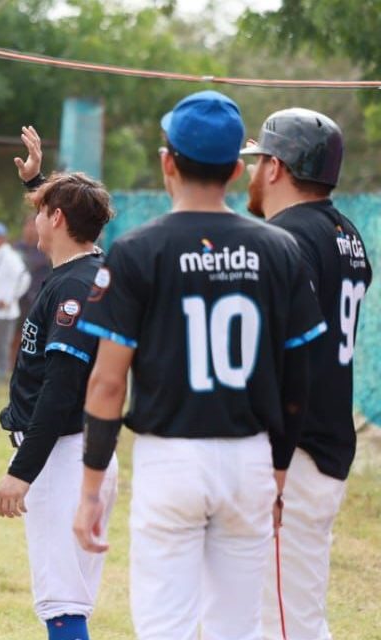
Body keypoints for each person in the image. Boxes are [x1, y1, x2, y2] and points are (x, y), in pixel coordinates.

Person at [73, 90, 326, 638]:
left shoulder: (138, 249)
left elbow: (107, 383)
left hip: (173, 460)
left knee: (166, 627)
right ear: (237, 170)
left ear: (168, 162)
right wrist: (278, 472)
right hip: (249, 457)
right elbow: (298, 379)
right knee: (237, 629)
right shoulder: (280, 249)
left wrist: (91, 487)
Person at [241, 108, 372, 640]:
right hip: (322, 440)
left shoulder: (287, 238)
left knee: (285, 622)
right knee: (287, 610)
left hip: (294, 452)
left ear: (276, 168)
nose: (251, 173)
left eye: (257, 161)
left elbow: (285, 358)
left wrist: (271, 460)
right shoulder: (347, 234)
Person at [0, 126, 117, 640]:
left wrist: (22, 472)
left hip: (63, 455)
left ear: (57, 219)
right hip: (84, 451)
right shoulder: (94, 269)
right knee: (70, 597)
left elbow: (59, 391)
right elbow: (71, 220)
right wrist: (39, 179)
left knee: (62, 604)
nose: (34, 219)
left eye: (41, 209)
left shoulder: (71, 289)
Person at [0, 221, 31, 380]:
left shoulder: (10, 257)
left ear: (2, 239)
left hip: (5, 311)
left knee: (2, 345)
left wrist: (10, 300)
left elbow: (24, 278)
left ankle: (0, 376)